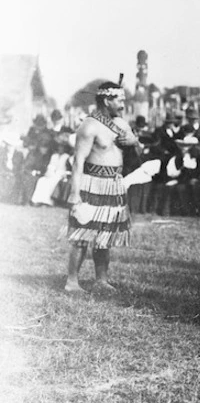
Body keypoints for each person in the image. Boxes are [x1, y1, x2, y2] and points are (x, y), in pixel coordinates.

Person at [65, 81, 138, 293]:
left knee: (105, 235)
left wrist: (133, 140)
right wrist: (74, 194)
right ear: (107, 100)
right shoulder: (89, 126)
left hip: (114, 185)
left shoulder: (121, 124)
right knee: (82, 234)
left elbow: (136, 149)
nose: (124, 104)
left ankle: (101, 280)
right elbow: (78, 162)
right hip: (91, 184)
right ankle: (72, 282)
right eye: (120, 100)